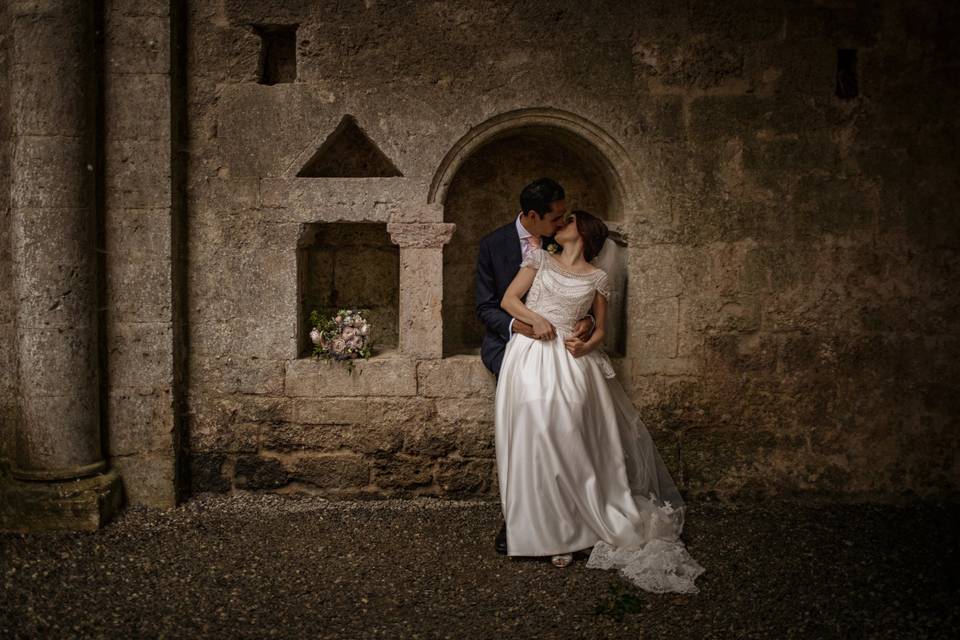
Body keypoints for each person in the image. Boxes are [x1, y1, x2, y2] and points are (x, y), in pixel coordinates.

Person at [496, 210, 705, 593]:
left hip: (573, 362)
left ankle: (572, 527)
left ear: (585, 232)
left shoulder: (597, 277)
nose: (562, 221)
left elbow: (601, 329)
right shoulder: (539, 258)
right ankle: (543, 532)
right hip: (530, 353)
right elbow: (509, 299)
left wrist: (586, 340)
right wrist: (536, 320)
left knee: (569, 438)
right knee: (536, 434)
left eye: (570, 219)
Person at [474, 178, 593, 555]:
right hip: (510, 342)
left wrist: (586, 324)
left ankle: (570, 513)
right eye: (555, 216)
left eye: (563, 215)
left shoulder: (566, 239)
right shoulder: (494, 245)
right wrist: (524, 327)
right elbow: (487, 306)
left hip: (559, 343)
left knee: (565, 417)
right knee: (533, 415)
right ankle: (520, 518)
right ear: (530, 216)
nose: (562, 222)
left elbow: (583, 293)